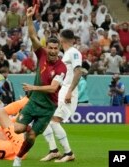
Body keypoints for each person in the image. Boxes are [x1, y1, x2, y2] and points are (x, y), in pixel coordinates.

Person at [12, 6, 67, 167]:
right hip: (34, 102)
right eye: (50, 47)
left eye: (56, 48)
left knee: (30, 138)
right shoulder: (41, 53)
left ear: (59, 49)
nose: (52, 51)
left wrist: (33, 88)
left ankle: (18, 159)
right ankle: (30, 127)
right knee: (17, 129)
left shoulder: (61, 67)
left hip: (47, 107)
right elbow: (32, 35)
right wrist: (29, 18)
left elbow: (52, 88)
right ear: (46, 47)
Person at [40, 29, 83, 162]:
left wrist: (69, 91)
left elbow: (78, 71)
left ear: (61, 39)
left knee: (53, 121)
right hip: (61, 90)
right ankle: (54, 151)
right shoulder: (66, 54)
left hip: (68, 91)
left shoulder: (74, 53)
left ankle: (68, 153)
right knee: (44, 119)